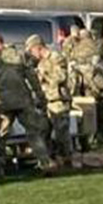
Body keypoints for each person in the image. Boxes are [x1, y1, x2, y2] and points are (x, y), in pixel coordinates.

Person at [0, 30, 54, 174]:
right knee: (33, 133)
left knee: (1, 134)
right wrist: (40, 97)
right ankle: (45, 162)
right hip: (24, 100)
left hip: (5, 102)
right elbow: (33, 79)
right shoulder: (19, 56)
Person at [25, 34, 77, 170]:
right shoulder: (41, 63)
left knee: (61, 133)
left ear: (38, 48)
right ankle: (48, 160)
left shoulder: (56, 58)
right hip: (46, 101)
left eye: (32, 51)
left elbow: (61, 76)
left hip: (58, 100)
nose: (32, 54)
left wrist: (44, 76)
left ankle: (66, 159)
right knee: (43, 131)